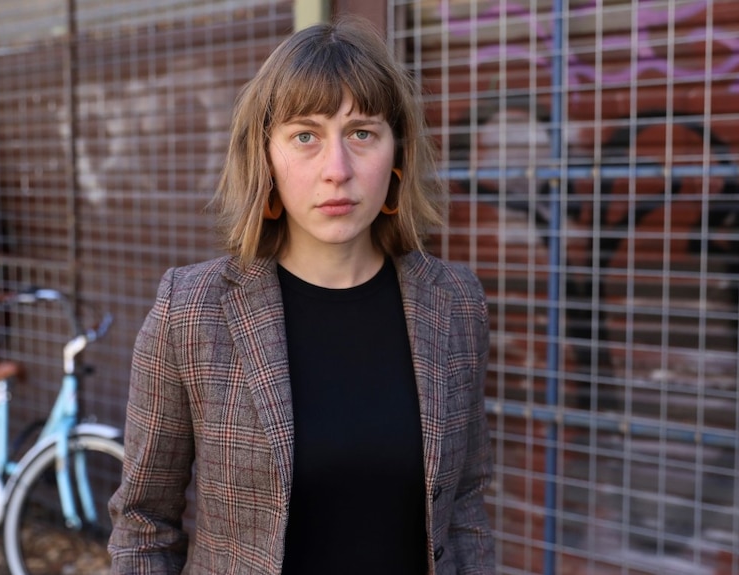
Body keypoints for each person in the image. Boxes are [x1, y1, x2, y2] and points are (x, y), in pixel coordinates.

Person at [108, 16, 495, 575]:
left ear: (397, 156)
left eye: (362, 132)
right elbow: (144, 525)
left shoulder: (455, 303)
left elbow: (463, 504)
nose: (337, 170)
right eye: (305, 136)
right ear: (265, 156)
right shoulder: (191, 311)